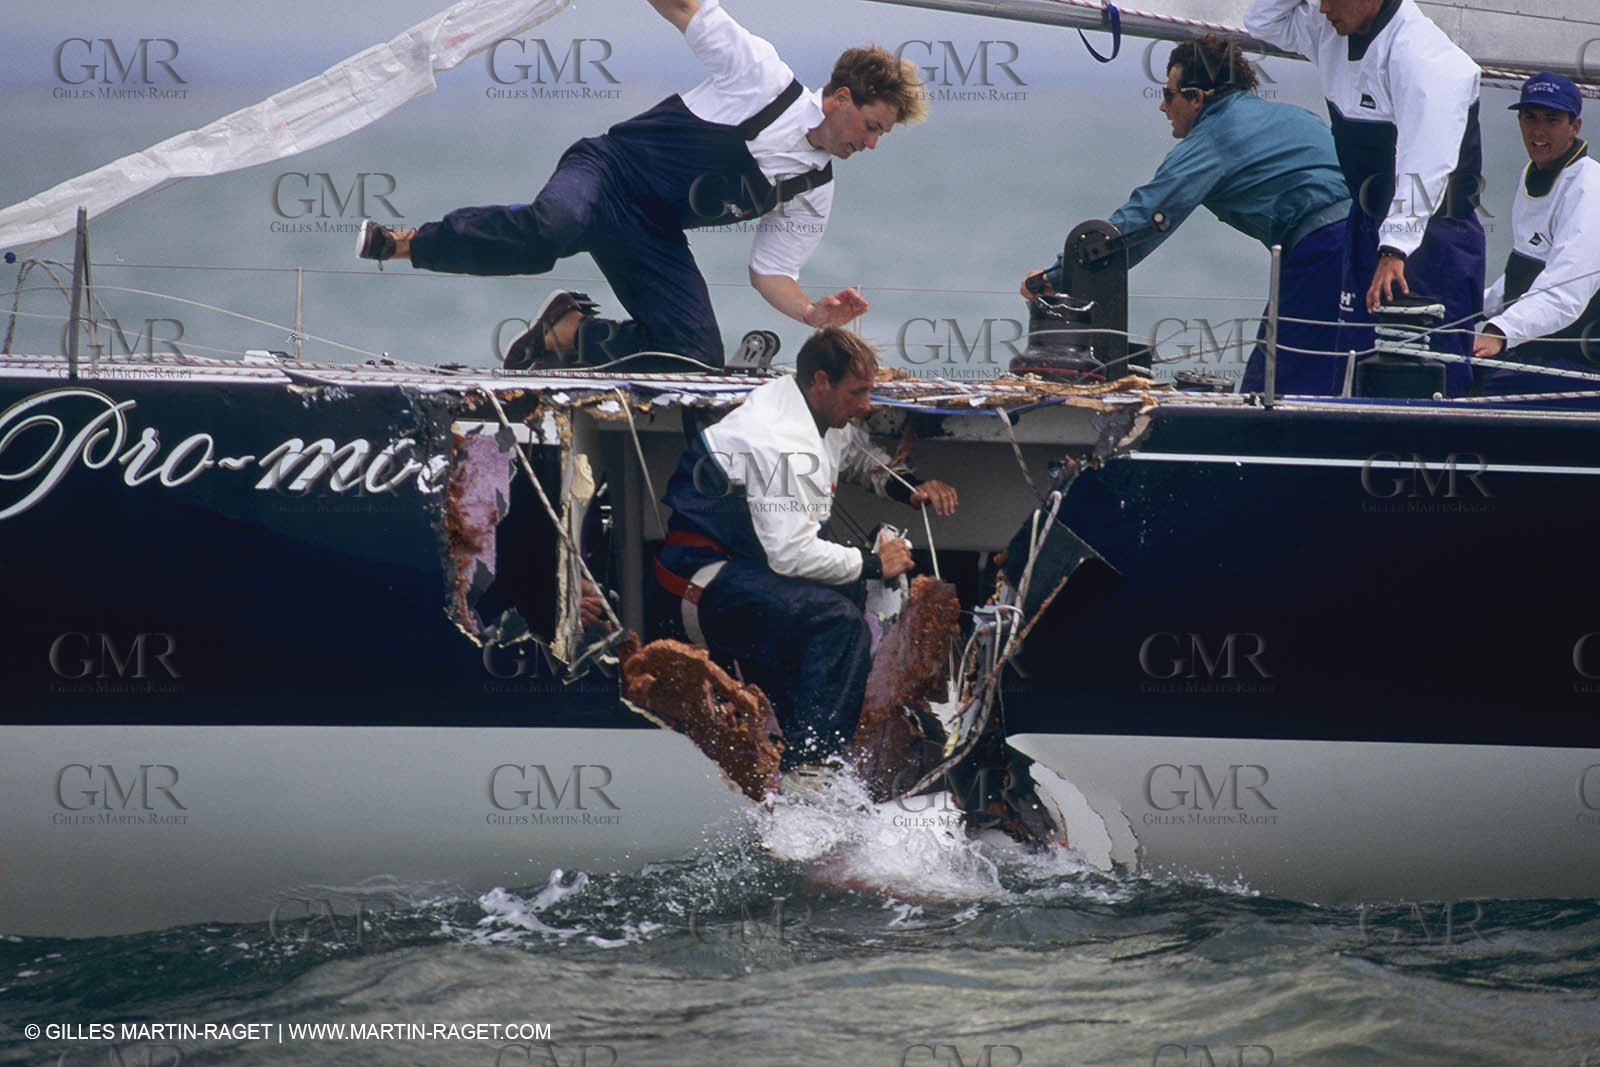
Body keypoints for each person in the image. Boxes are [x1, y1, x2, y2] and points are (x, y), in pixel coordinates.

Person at [356, 0, 926, 370]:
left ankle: (569, 332)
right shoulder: (762, 77)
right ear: (841, 98)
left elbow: (771, 273)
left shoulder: (813, 186)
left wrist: (811, 314)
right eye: (873, 127)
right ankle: (410, 244)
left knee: (693, 355)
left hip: (651, 232)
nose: (872, 144)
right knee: (552, 230)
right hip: (606, 172)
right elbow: (683, 6)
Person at [655, 326, 958, 779]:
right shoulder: (781, 441)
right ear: (821, 381)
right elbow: (790, 556)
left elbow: (855, 456)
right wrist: (874, 563)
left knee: (840, 599)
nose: (867, 405)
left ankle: (797, 744)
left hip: (750, 572)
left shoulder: (815, 409)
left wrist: (908, 487)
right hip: (702, 583)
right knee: (835, 622)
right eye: (857, 392)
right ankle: (813, 770)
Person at [1019, 35, 1352, 394]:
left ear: (1197, 98)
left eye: (1169, 94)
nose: (1162, 107)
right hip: (1369, 240)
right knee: (1347, 367)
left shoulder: (1214, 137)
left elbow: (1148, 218)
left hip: (1323, 250)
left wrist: (1058, 277)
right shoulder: (1295, 115)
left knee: (1275, 389)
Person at [1246, 0, 1486, 395]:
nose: (1321, 8)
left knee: (1426, 375)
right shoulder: (1332, 29)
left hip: (1431, 237)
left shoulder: (1425, 58)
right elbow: (1262, 20)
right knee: (1355, 361)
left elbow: (1426, 163)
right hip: (1367, 223)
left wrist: (1394, 249)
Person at [1473, 72, 1600, 395]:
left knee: (1465, 387)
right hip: (1535, 349)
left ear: (1575, 126)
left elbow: (1566, 292)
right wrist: (1465, 305)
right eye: (1530, 117)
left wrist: (1500, 331)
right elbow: (1525, 270)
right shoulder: (1533, 174)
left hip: (1581, 365)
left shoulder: (1589, 187)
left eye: (1552, 120)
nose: (1538, 131)